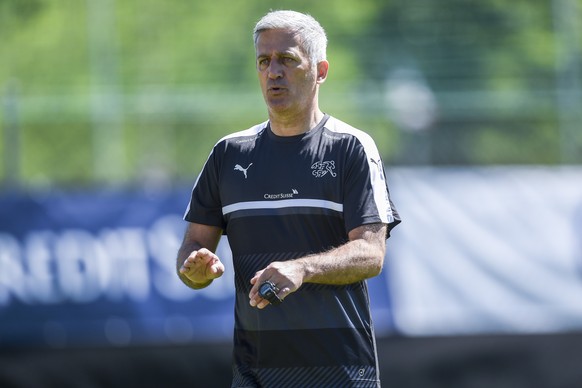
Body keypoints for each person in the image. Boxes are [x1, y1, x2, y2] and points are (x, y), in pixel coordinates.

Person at [177, 10, 400, 387]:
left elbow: (371, 254)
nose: (273, 72)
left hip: (341, 375)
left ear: (321, 71)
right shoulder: (228, 153)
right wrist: (194, 271)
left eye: (287, 60)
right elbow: (194, 248)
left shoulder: (351, 148)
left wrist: (302, 269)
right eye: (264, 61)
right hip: (255, 376)